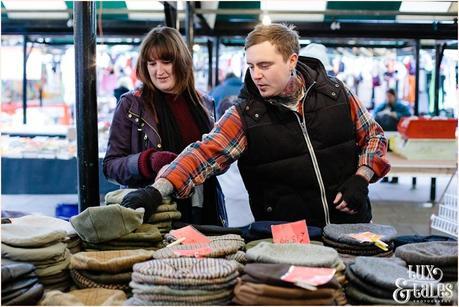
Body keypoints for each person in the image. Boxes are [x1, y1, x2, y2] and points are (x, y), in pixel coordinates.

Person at [121, 23, 390, 228]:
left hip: (351, 226)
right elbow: (203, 153)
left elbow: (374, 137)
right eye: (250, 66)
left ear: (292, 61)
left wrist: (362, 177)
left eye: (264, 65)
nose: (256, 75)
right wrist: (157, 190)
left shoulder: (336, 93)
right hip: (288, 237)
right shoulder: (246, 114)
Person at [103, 25, 225, 225]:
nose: (159, 71)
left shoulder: (204, 102)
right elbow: (110, 166)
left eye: (166, 61)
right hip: (155, 215)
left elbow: (216, 158)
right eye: (151, 63)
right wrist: (147, 161)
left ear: (181, 62)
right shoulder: (132, 104)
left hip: (204, 211)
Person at [373, 88, 411, 184]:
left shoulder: (401, 106)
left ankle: (395, 177)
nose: (388, 98)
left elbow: (408, 115)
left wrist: (396, 114)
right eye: (387, 96)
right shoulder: (382, 106)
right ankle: (385, 176)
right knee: (384, 155)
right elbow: (374, 114)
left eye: (390, 96)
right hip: (384, 135)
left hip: (395, 136)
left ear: (394, 96)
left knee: (394, 155)